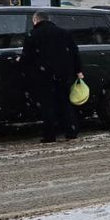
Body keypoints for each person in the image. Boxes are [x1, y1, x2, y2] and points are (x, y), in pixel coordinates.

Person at [19, 10, 83, 143]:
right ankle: (71, 131)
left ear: (36, 20)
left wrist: (21, 64)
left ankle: (50, 135)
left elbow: (27, 57)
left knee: (47, 105)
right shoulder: (64, 33)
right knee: (65, 102)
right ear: (48, 19)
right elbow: (74, 52)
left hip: (43, 75)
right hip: (64, 74)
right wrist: (78, 70)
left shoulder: (33, 34)